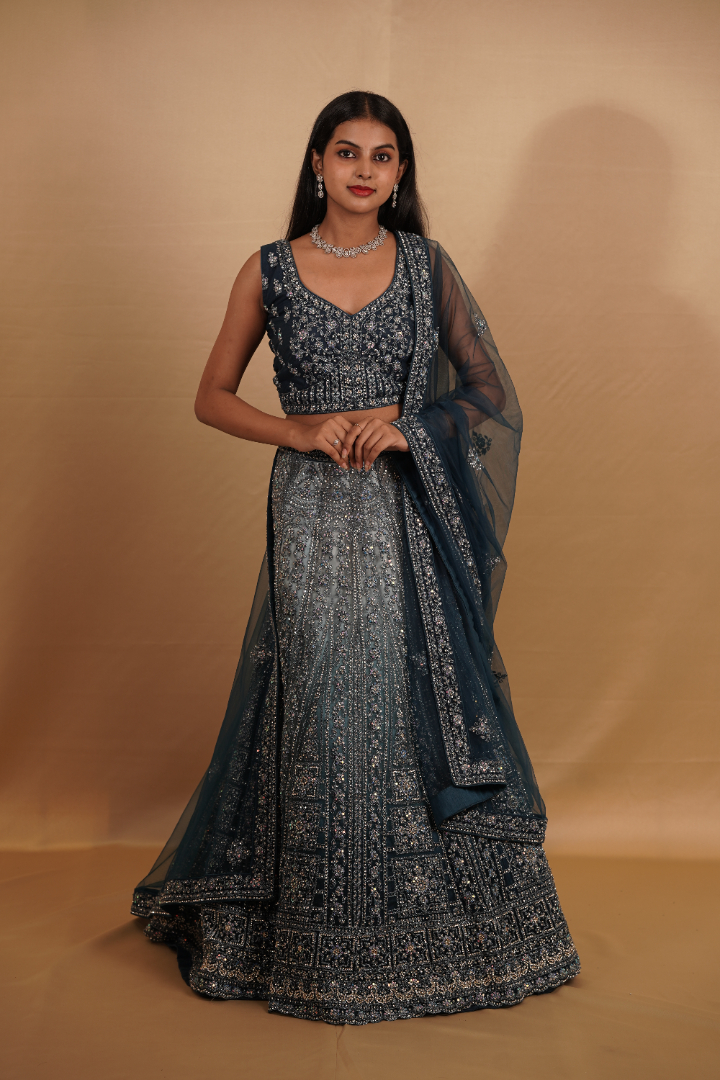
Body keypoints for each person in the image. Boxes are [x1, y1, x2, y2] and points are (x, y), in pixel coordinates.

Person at [131, 90, 580, 1024]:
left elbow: (491, 391)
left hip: (409, 509)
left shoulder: (426, 267)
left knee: (409, 692)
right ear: (317, 164)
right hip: (311, 511)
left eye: (382, 156)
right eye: (347, 152)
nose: (364, 170)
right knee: (325, 696)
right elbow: (212, 396)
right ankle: (314, 934)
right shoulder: (268, 269)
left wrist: (413, 428)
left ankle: (436, 923)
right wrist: (297, 429)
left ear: (400, 172)